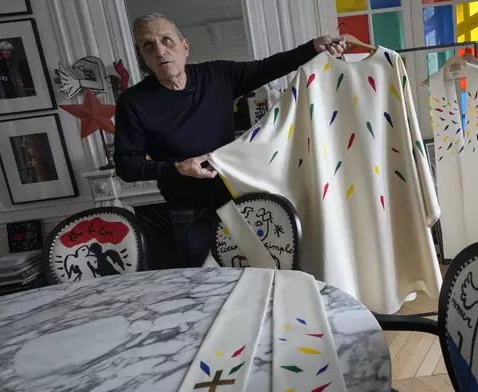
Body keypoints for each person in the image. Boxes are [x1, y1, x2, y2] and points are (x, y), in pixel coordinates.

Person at [114, 13, 347, 269]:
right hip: (187, 212)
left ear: (185, 46)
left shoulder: (217, 75)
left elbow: (267, 67)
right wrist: (176, 168)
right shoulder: (132, 101)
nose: (160, 51)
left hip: (238, 201)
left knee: (259, 269)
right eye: (148, 46)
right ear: (143, 58)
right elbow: (126, 165)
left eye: (166, 40)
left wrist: (313, 47)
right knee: (201, 284)